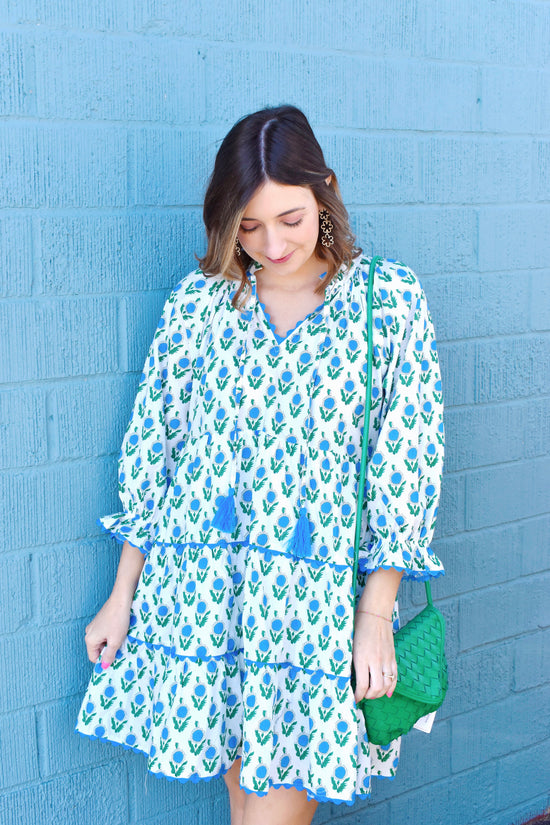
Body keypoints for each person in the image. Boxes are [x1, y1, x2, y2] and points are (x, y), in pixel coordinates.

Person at [75, 105, 444, 824]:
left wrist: (373, 613)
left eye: (291, 218)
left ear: (325, 192)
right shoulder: (200, 305)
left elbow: (408, 464)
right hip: (210, 595)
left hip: (315, 609)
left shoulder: (387, 302)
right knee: (245, 807)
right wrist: (121, 594)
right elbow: (154, 450)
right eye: (248, 225)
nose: (272, 243)